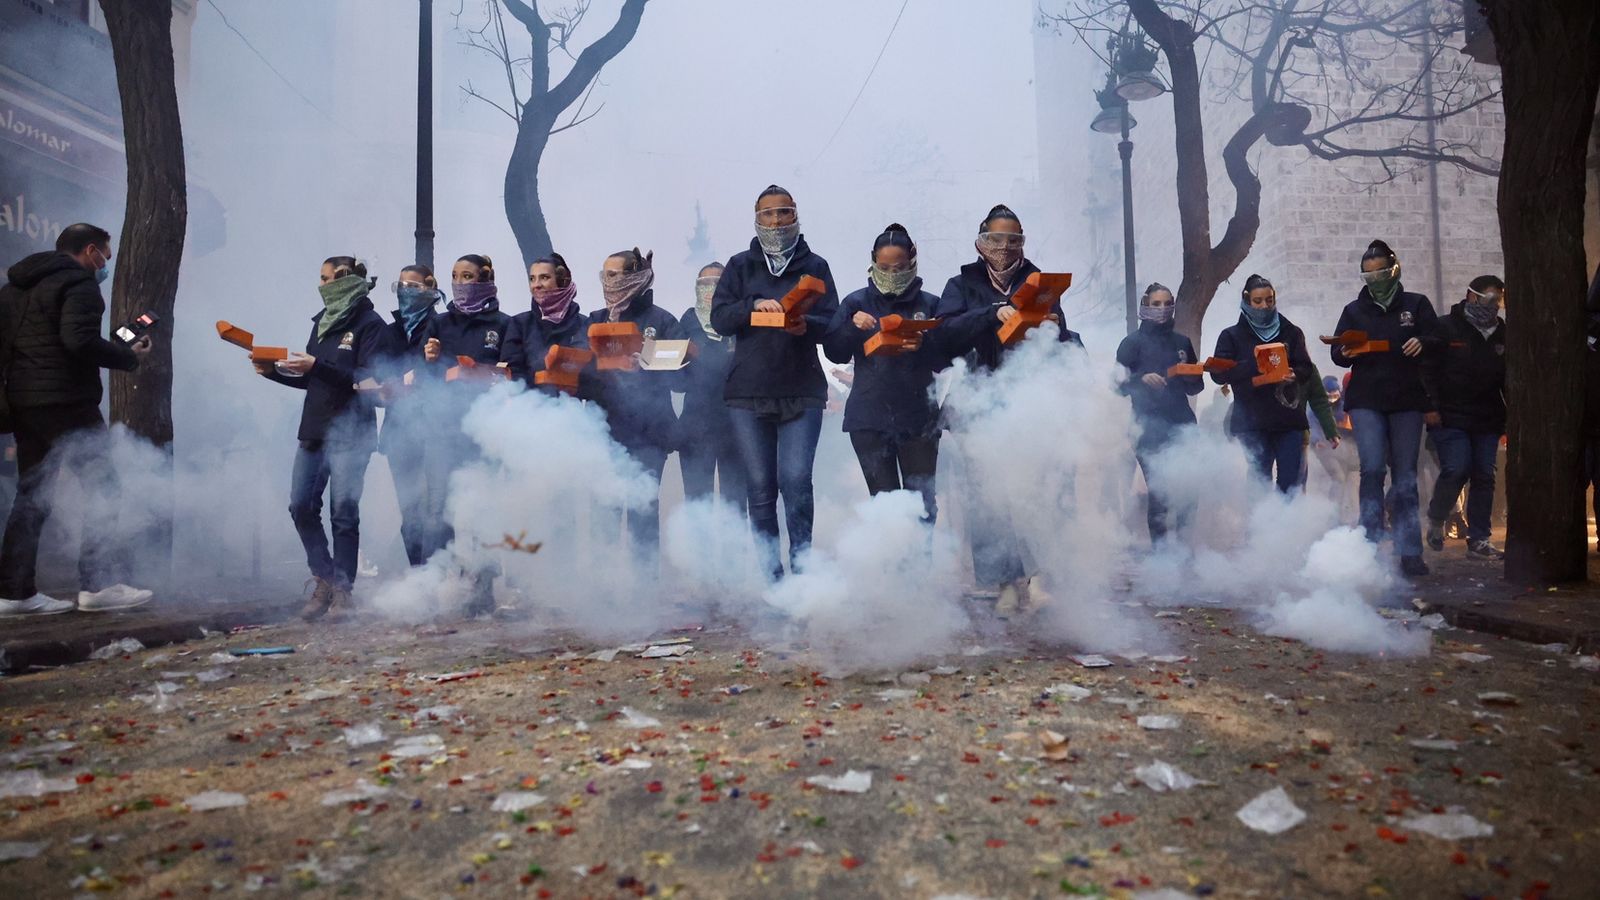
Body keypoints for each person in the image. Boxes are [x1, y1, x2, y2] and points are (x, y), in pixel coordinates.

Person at [935, 203, 1083, 616]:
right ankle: (1003, 582)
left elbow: (1062, 341)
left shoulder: (1040, 282)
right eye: (996, 239)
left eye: (1013, 240)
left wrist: (1054, 326)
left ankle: (1037, 578)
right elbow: (944, 333)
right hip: (977, 400)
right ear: (981, 240)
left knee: (1034, 489)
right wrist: (989, 313)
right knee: (986, 496)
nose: (1004, 248)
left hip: (1029, 402)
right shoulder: (960, 284)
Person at [0, 223, 153, 616]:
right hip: (67, 401)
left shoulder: (16, 287)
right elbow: (78, 341)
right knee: (105, 487)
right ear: (90, 251)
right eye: (106, 255)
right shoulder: (81, 284)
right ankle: (97, 585)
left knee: (33, 495)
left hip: (23, 401)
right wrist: (129, 355)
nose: (105, 265)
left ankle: (14, 593)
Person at [709, 185, 840, 579]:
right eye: (768, 213)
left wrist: (806, 325)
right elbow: (719, 318)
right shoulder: (739, 265)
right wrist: (751, 308)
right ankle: (771, 578)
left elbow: (832, 324)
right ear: (756, 218)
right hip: (747, 393)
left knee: (797, 482)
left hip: (802, 391)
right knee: (761, 488)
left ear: (796, 215)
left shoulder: (815, 265)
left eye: (784, 212)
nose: (777, 220)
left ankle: (803, 574)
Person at [255, 256, 393, 620]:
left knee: (343, 513)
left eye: (331, 278)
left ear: (349, 280)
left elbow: (364, 378)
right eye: (320, 278)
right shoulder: (321, 322)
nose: (324, 284)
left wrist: (316, 366)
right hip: (315, 429)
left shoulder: (370, 324)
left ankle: (344, 591)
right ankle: (325, 578)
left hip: (352, 430)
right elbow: (310, 378)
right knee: (300, 506)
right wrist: (273, 372)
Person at [822, 223, 955, 522]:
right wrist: (851, 327)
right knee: (884, 503)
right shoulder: (855, 303)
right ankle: (893, 567)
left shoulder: (931, 303)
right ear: (872, 263)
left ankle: (921, 567)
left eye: (899, 267)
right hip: (868, 418)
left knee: (922, 502)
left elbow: (946, 359)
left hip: (919, 418)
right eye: (884, 267)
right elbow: (834, 351)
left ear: (912, 262)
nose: (892, 274)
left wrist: (923, 342)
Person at [1330, 240, 1440, 577]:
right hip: (1366, 400)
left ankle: (1410, 550)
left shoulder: (1416, 305)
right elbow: (1337, 351)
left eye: (1381, 271)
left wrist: (1422, 342)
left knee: (1406, 474)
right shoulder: (1354, 310)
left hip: (1407, 399)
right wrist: (1345, 353)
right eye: (1369, 273)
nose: (1376, 278)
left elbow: (1437, 340)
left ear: (1394, 270)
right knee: (1373, 468)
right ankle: (1369, 541)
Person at [420, 253, 513, 615]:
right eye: (456, 275)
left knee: (483, 509)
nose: (461, 282)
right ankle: (442, 585)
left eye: (469, 276)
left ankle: (484, 585)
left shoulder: (502, 324)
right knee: (439, 508)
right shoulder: (438, 324)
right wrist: (429, 361)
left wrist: (483, 372)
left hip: (485, 430)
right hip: (444, 429)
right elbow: (422, 380)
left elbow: (508, 374)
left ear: (485, 279)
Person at [588, 248, 684, 555]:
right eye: (605, 275)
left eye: (615, 275)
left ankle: (645, 588)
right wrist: (601, 364)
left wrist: (649, 358)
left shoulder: (663, 320)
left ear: (636, 277)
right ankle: (605, 587)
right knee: (607, 507)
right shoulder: (594, 321)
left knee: (643, 507)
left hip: (650, 431)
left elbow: (685, 378)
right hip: (605, 431)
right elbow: (579, 376)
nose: (609, 281)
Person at [1211, 274, 1337, 493]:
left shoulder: (1291, 331)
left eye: (1269, 300)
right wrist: (1257, 365)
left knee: (1291, 480)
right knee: (1259, 481)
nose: (1264, 306)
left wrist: (1294, 373)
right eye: (1258, 301)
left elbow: (1307, 368)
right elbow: (1219, 374)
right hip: (1251, 421)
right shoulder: (1231, 336)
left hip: (1288, 418)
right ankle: (1260, 525)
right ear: (1247, 300)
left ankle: (1284, 524)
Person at [1419, 275, 1507, 558]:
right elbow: (1427, 370)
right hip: (1450, 416)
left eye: (1498, 300)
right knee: (1457, 468)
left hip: (1488, 417)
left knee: (1484, 475)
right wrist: (1430, 407)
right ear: (1472, 296)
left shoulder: (1503, 332)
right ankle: (1436, 517)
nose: (1494, 306)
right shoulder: (1446, 327)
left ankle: (1479, 539)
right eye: (1489, 299)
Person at [1115, 283, 1202, 542]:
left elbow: (1196, 386)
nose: (1162, 310)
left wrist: (1188, 372)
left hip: (1182, 425)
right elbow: (1117, 385)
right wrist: (1141, 378)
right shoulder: (1131, 344)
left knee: (1189, 488)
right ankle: (1162, 555)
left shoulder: (1182, 342)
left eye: (1166, 304)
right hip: (1146, 428)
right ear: (1145, 305)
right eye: (1156, 304)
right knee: (1159, 491)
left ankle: (1186, 547)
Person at [377, 264, 441, 568]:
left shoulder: (441, 327)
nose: (405, 292)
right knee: (410, 509)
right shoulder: (389, 332)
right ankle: (419, 574)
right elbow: (377, 374)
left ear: (429, 287)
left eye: (412, 287)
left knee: (435, 508)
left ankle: (437, 574)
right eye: (400, 286)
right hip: (399, 432)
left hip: (433, 431)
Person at [677, 262, 746, 509]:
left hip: (736, 426)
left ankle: (735, 548)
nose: (710, 290)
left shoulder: (740, 321)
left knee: (735, 501)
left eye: (717, 283)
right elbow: (677, 381)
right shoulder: (686, 321)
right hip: (696, 426)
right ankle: (698, 548)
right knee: (697, 502)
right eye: (704, 284)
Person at [501, 253, 591, 396]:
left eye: (544, 277)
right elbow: (512, 373)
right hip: (531, 410)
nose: (536, 285)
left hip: (575, 411)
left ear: (562, 280)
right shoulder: (519, 324)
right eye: (532, 279)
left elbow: (592, 375)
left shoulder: (585, 324)